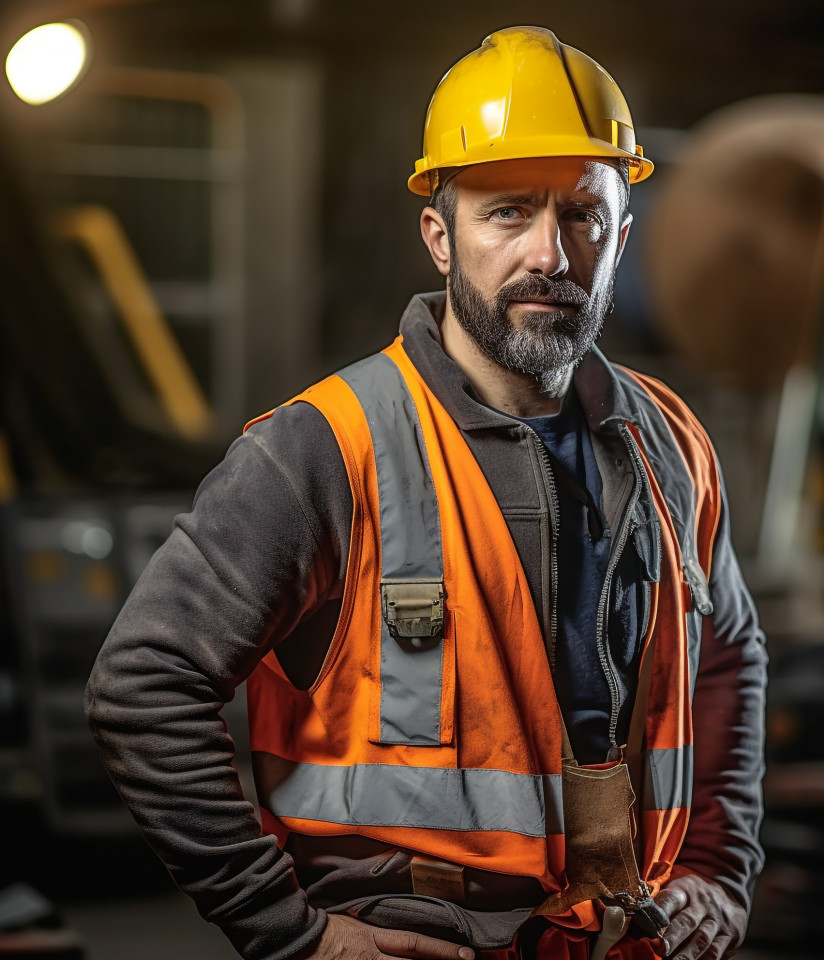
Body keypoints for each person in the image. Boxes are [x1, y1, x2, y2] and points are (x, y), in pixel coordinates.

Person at [85, 25, 765, 960]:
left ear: (621, 235)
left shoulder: (670, 441)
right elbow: (143, 686)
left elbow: (726, 657)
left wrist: (720, 870)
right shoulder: (325, 448)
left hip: (622, 939)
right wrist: (290, 934)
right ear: (440, 238)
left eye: (582, 214)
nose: (550, 254)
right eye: (507, 212)